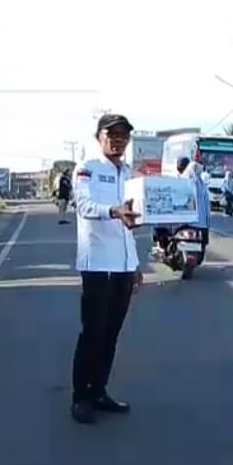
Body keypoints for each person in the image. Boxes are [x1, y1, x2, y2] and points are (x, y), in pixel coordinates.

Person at [70, 113, 143, 424]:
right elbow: (85, 207)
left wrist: (136, 265)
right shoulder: (87, 169)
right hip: (98, 265)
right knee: (93, 333)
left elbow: (134, 221)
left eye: (123, 135)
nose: (118, 140)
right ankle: (81, 397)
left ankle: (99, 391)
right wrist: (113, 210)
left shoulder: (131, 174)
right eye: (111, 134)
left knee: (111, 335)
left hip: (124, 266)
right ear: (98, 137)